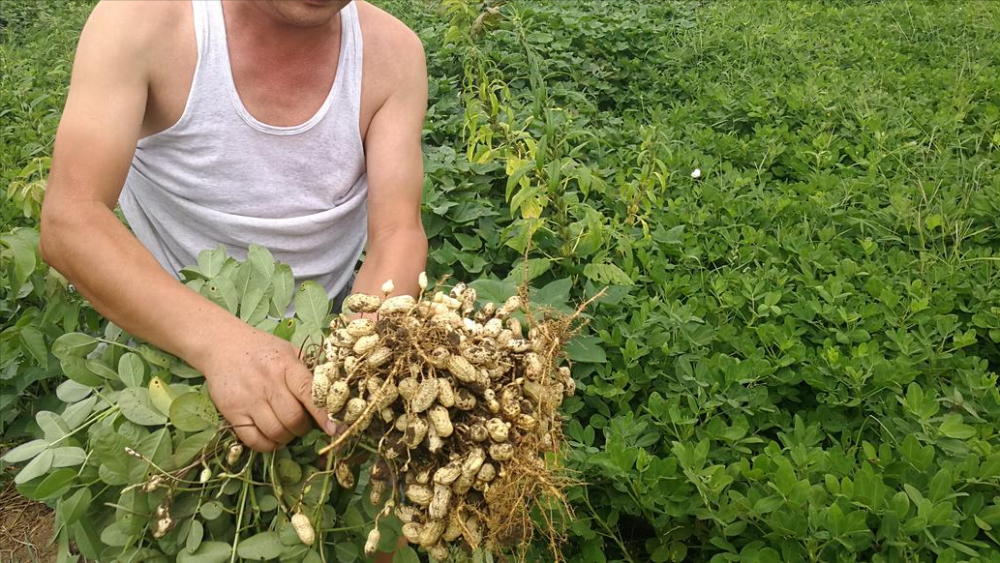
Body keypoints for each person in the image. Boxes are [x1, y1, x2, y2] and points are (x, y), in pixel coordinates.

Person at [39, 0, 429, 455]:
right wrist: (218, 343)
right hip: (171, 343)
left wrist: (360, 352)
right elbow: (71, 218)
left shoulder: (392, 52)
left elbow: (397, 233)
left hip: (326, 338)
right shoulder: (143, 21)